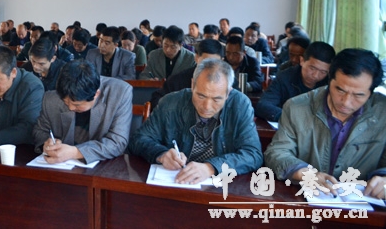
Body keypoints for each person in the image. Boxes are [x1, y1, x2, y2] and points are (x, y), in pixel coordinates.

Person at [264, 49, 386, 199]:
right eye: (340, 90)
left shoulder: (383, 113)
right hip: (304, 201)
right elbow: (277, 152)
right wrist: (304, 173)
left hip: (364, 205)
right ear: (329, 79)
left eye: (358, 95)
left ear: (371, 93)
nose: (346, 102)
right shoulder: (296, 107)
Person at [129, 59, 263, 183]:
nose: (207, 107)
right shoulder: (171, 103)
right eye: (201, 96)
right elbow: (139, 139)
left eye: (216, 99)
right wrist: (161, 154)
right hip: (176, 184)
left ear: (228, 93)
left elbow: (253, 154)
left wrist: (211, 167)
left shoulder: (239, 105)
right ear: (193, 85)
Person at [33, 60, 132, 164]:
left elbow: (117, 142)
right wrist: (47, 143)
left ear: (96, 94)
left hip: (106, 165)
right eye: (66, 102)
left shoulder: (119, 93)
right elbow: (39, 131)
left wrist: (76, 152)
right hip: (62, 167)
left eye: (77, 105)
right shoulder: (51, 98)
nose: (70, 108)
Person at [255, 41, 335, 122]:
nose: (315, 75)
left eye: (323, 72)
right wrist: (293, 118)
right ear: (302, 61)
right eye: (312, 68)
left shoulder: (330, 84)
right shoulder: (285, 77)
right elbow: (263, 105)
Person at [150, 39, 222, 109]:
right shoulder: (177, 81)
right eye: (206, 62)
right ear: (196, 58)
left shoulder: (226, 83)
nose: (210, 67)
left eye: (215, 62)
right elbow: (157, 100)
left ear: (222, 61)